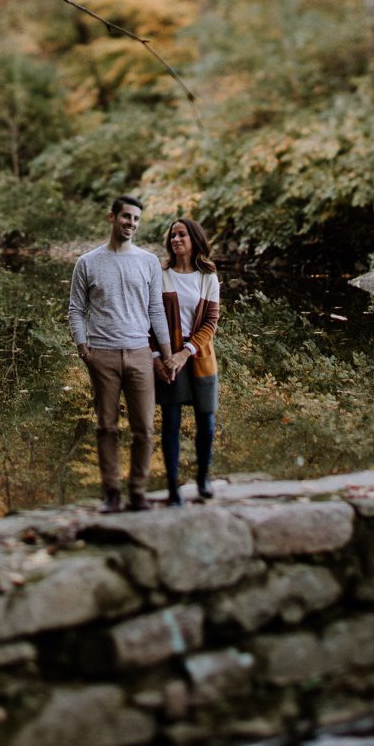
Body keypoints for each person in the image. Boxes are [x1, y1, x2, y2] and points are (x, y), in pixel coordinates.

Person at [67, 194, 171, 512]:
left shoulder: (148, 261)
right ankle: (112, 492)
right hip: (103, 355)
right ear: (112, 218)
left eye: (137, 219)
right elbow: (76, 309)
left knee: (144, 428)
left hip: (141, 353)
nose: (132, 224)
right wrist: (84, 348)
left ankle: (138, 491)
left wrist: (165, 355)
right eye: (127, 217)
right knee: (106, 427)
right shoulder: (87, 262)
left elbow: (156, 310)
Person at [156, 217, 222, 506]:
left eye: (182, 234)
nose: (176, 239)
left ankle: (203, 478)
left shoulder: (208, 276)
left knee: (206, 422)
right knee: (171, 421)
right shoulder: (161, 274)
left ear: (194, 239)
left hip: (200, 357)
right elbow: (151, 318)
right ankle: (172, 487)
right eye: (172, 235)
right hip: (169, 359)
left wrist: (187, 351)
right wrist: (162, 356)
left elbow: (211, 321)